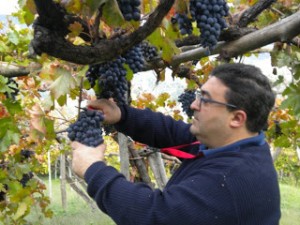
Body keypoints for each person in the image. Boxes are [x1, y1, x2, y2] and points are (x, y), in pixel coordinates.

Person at [71, 63, 281, 225]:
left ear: (236, 118)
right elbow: (173, 132)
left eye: (205, 100)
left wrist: (94, 169)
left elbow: (153, 215)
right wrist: (122, 115)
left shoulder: (233, 180)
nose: (193, 104)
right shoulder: (234, 145)